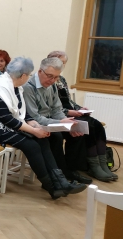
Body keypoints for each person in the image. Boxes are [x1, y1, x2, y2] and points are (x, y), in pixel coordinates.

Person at [0, 57, 86, 199]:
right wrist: (34, 130)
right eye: (28, 75)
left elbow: (22, 112)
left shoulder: (16, 87)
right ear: (23, 76)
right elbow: (7, 118)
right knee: (31, 145)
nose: (29, 77)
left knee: (43, 139)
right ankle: (52, 187)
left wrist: (36, 125)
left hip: (6, 125)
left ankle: (61, 182)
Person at [47, 50, 116, 181]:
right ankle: (91, 166)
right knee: (86, 126)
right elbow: (52, 107)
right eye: (60, 62)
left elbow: (68, 100)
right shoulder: (49, 79)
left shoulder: (62, 79)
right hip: (61, 115)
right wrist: (69, 112)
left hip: (69, 112)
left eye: (64, 63)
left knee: (97, 125)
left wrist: (79, 108)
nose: (62, 65)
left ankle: (101, 164)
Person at [22, 57, 93, 184]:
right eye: (50, 76)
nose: (52, 80)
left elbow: (57, 109)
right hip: (36, 124)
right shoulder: (29, 87)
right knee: (56, 136)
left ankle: (71, 170)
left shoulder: (52, 85)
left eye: (56, 77)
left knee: (77, 132)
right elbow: (34, 117)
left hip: (51, 121)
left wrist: (66, 122)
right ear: (40, 71)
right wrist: (60, 123)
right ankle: (59, 173)